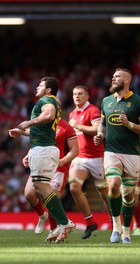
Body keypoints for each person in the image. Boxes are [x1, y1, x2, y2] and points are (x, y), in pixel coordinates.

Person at [9, 77, 75, 243]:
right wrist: (21, 132)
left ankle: (64, 222)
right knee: (37, 190)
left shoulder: (47, 101)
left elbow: (48, 114)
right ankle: (59, 222)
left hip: (44, 150)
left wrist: (28, 122)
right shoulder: (49, 101)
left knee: (41, 188)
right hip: (44, 148)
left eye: (40, 85)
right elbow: (42, 129)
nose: (37, 87)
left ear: (48, 90)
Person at [94, 68, 140, 244]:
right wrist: (100, 134)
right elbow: (103, 124)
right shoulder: (106, 101)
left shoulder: (137, 101)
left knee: (128, 195)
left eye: (117, 76)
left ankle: (127, 232)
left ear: (127, 80)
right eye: (113, 76)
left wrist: (129, 124)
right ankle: (116, 226)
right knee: (113, 185)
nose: (113, 79)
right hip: (111, 151)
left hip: (133, 153)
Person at [22, 115, 78, 241]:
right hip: (40, 163)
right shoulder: (42, 125)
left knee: (52, 201)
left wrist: (63, 161)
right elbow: (37, 144)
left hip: (58, 167)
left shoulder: (66, 127)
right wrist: (28, 155)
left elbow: (75, 149)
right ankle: (43, 216)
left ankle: (55, 230)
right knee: (29, 194)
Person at [68, 85, 110, 239]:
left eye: (80, 94)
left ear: (87, 96)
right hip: (80, 158)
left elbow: (98, 129)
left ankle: (115, 224)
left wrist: (78, 125)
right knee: (73, 187)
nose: (76, 96)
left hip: (97, 158)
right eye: (74, 94)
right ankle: (90, 222)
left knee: (105, 194)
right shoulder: (72, 114)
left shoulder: (93, 110)